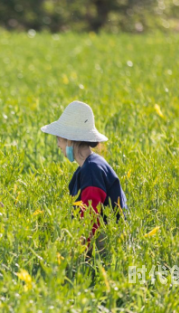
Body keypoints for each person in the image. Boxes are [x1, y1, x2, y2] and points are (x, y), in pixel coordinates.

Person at [41, 100, 128, 256]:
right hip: (105, 241)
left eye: (58, 139)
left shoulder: (92, 170)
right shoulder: (89, 167)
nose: (58, 145)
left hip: (106, 246)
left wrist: (77, 255)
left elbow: (90, 219)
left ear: (70, 139)